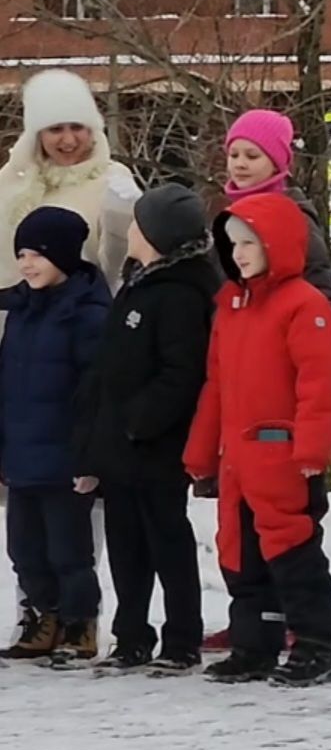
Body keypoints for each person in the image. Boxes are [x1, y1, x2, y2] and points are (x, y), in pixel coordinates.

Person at [183, 192, 331, 687]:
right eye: (232, 244)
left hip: (285, 457)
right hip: (239, 460)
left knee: (293, 552)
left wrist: (313, 450)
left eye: (250, 242)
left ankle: (316, 643)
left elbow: (318, 385)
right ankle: (256, 643)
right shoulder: (231, 305)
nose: (240, 253)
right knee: (240, 554)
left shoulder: (303, 304)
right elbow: (216, 384)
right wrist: (200, 450)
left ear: (277, 243)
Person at [76, 185, 222, 675]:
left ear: (158, 235)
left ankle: (181, 638)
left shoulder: (181, 293)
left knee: (167, 541)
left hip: (157, 446)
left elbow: (181, 373)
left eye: (139, 223)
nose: (131, 230)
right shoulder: (137, 283)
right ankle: (131, 636)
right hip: (121, 446)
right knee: (126, 545)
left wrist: (140, 422)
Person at [0, 208, 111, 665]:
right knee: (24, 548)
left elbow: (95, 394)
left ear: (63, 255)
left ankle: (79, 623)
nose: (27, 265)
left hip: (65, 458)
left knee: (69, 550)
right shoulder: (21, 311)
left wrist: (88, 459)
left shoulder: (87, 315)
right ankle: (45, 616)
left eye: (37, 255)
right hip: (22, 454)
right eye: (21, 255)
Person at [0, 69, 138, 295]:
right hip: (12, 318)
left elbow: (121, 269)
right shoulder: (14, 178)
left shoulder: (113, 180)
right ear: (38, 134)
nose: (69, 140)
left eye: (77, 127)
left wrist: (124, 216)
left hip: (78, 318)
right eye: (56, 129)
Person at [218, 109, 331, 312]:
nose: (240, 164)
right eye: (233, 155)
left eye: (252, 156)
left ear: (276, 163)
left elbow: (322, 296)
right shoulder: (229, 217)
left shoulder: (293, 217)